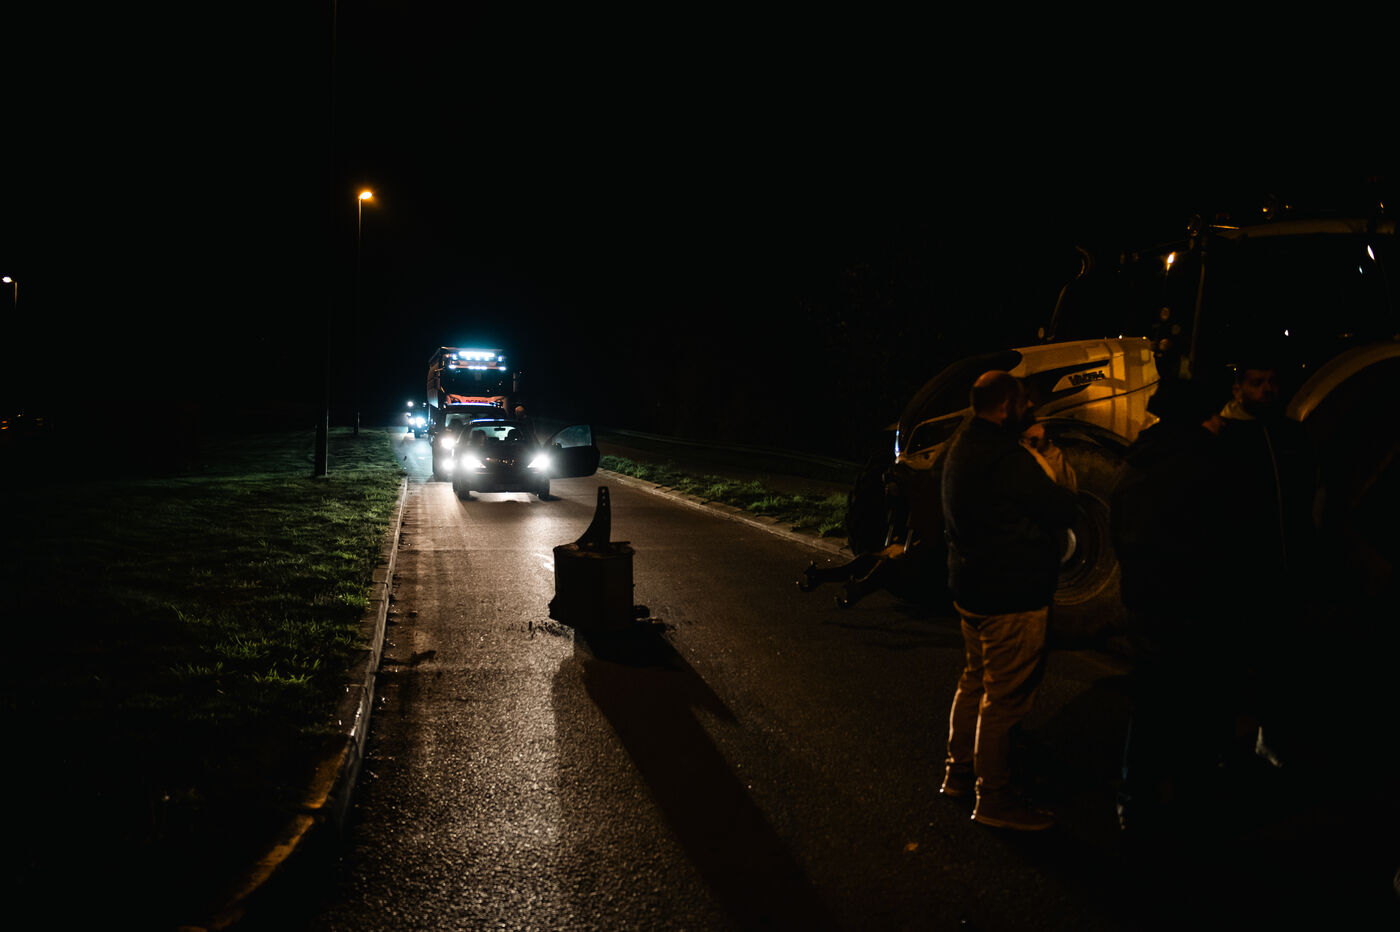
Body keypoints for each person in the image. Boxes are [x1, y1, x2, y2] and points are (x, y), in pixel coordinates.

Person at [940, 371, 1078, 830]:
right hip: (1012, 598)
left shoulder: (963, 445)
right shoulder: (1007, 459)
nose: (1032, 409)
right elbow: (1062, 507)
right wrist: (1045, 452)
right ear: (1004, 407)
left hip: (972, 591)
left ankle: (958, 773)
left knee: (974, 681)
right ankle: (994, 798)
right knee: (1003, 701)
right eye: (1024, 403)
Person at [1110, 377, 1234, 841]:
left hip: (1146, 603)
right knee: (1194, 706)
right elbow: (1224, 539)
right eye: (1215, 413)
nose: (1221, 420)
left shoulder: (1137, 461)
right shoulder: (1208, 464)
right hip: (1194, 606)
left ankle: (1134, 799)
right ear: (1198, 418)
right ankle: (1190, 800)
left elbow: (1120, 530)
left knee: (1151, 703)